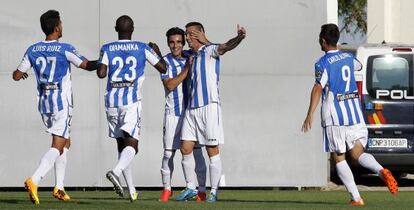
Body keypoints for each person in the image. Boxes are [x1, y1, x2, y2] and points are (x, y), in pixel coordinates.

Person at [301, 23, 398, 206]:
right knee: (357, 153)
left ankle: (356, 198)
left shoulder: (321, 63)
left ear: (323, 40)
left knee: (339, 157)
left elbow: (317, 87)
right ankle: (380, 170)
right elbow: (357, 66)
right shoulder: (348, 57)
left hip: (334, 115)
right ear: (336, 40)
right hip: (354, 113)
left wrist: (310, 114)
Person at [12, 10, 98, 205]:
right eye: (61, 23)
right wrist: (104, 61)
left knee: (65, 143)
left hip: (44, 104)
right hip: (61, 104)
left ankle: (59, 186)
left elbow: (16, 75)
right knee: (58, 145)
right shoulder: (65, 48)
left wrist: (24, 74)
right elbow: (86, 65)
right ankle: (35, 180)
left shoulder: (33, 49)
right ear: (57, 27)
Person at [97, 15, 167, 202]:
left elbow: (101, 73)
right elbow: (163, 68)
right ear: (133, 29)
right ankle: (116, 172)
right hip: (131, 102)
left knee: (122, 145)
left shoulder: (107, 47)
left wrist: (103, 59)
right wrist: (158, 52)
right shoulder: (142, 47)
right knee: (133, 146)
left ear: (115, 28)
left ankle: (132, 191)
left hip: (111, 102)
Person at [177, 22, 246, 202]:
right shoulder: (191, 56)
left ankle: (213, 191)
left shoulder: (210, 50)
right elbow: (174, 53)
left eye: (191, 34)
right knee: (185, 147)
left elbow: (226, 46)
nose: (187, 38)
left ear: (201, 33)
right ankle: (191, 187)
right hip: (192, 107)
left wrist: (239, 37)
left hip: (209, 106)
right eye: (186, 34)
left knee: (211, 149)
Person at [159, 27, 208, 202]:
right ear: (168, 43)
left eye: (179, 41)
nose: (175, 45)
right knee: (168, 154)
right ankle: (167, 188)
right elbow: (170, 85)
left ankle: (200, 190)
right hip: (173, 113)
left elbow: (208, 50)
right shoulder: (164, 62)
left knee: (196, 152)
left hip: (191, 113)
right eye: (172, 42)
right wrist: (187, 69)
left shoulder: (191, 55)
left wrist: (202, 36)